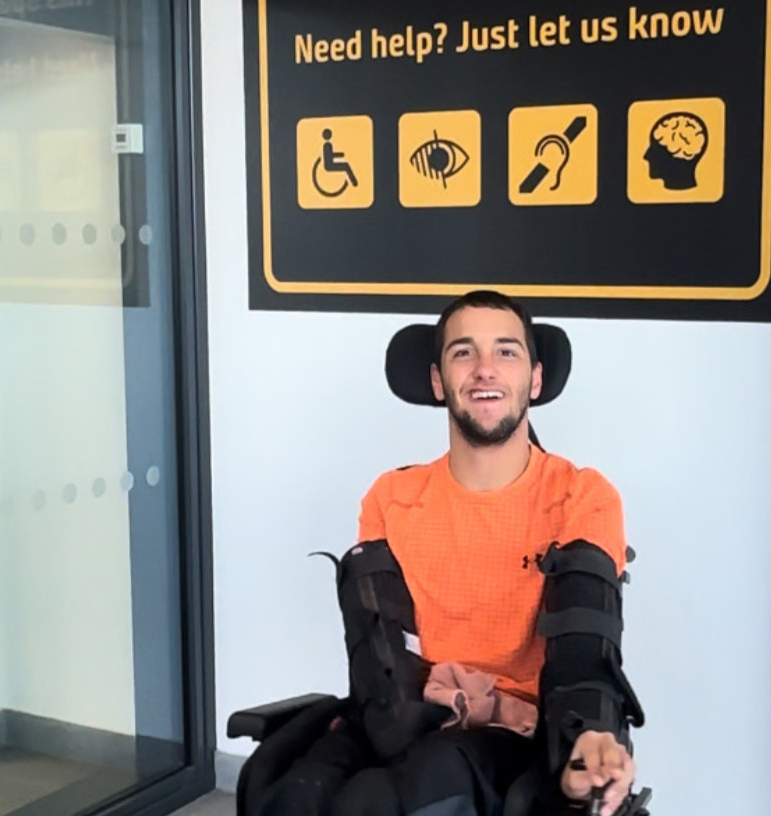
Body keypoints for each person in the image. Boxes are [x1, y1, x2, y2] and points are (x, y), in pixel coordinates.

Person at [255, 290, 641, 816]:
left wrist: (588, 739)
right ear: (438, 381)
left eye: (506, 352)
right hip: (408, 713)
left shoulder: (581, 496)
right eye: (464, 352)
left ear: (536, 379)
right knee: (289, 792)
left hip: (516, 732)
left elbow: (583, 656)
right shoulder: (391, 497)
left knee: (380, 799)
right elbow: (382, 661)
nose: (485, 370)